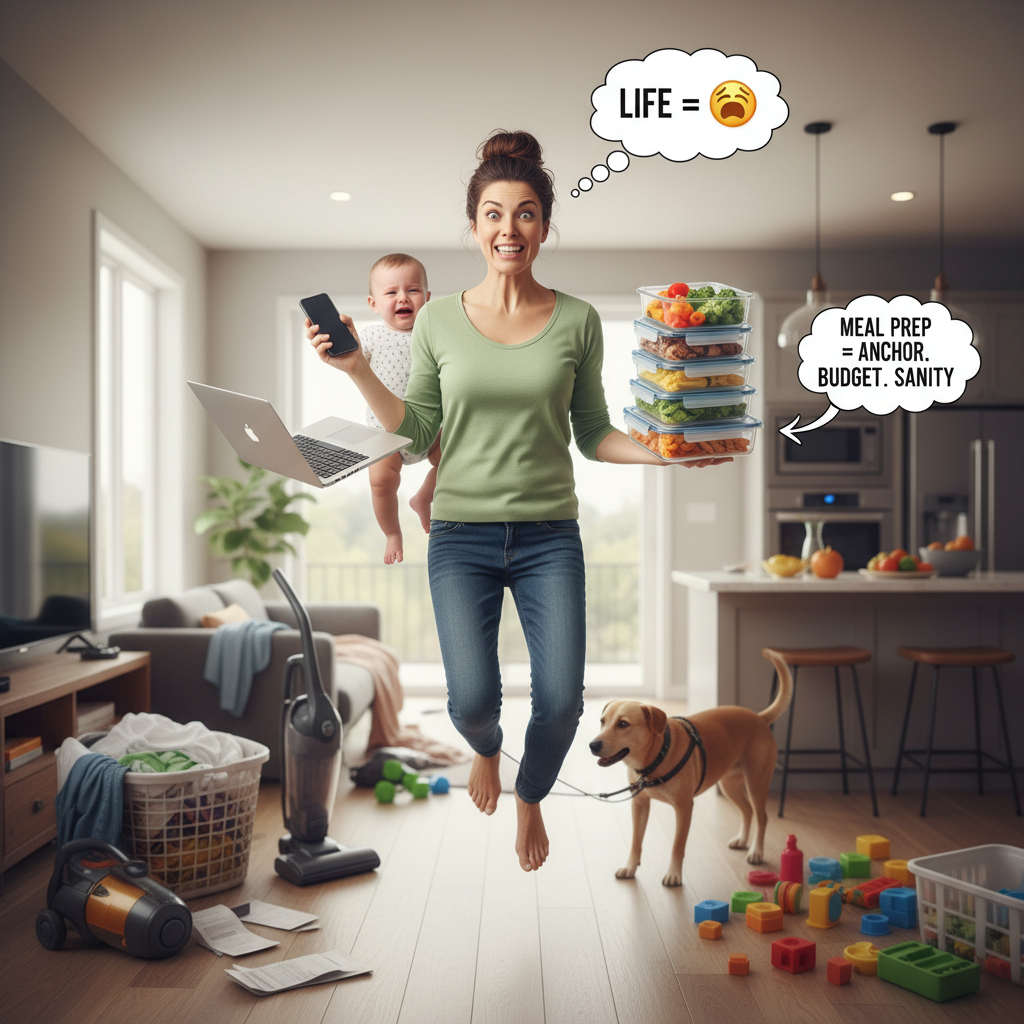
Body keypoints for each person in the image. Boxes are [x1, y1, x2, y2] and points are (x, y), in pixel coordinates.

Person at [309, 130, 729, 872]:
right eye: (495, 215)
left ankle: (529, 794)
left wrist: (665, 450)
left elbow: (595, 432)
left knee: (563, 703)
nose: (510, 229)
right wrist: (353, 371)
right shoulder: (437, 320)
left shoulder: (578, 321)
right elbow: (415, 429)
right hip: (461, 536)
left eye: (527, 213)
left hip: (548, 539)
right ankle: (487, 750)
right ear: (474, 227)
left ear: (544, 224)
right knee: (472, 705)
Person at [317, 253, 441, 564]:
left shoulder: (435, 335)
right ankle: (392, 533)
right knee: (381, 482)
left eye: (412, 290)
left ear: (427, 298)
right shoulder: (370, 336)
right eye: (391, 292)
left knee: (455, 460)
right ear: (373, 304)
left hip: (433, 429)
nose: (403, 298)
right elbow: (351, 360)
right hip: (384, 434)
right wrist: (340, 344)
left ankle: (423, 498)